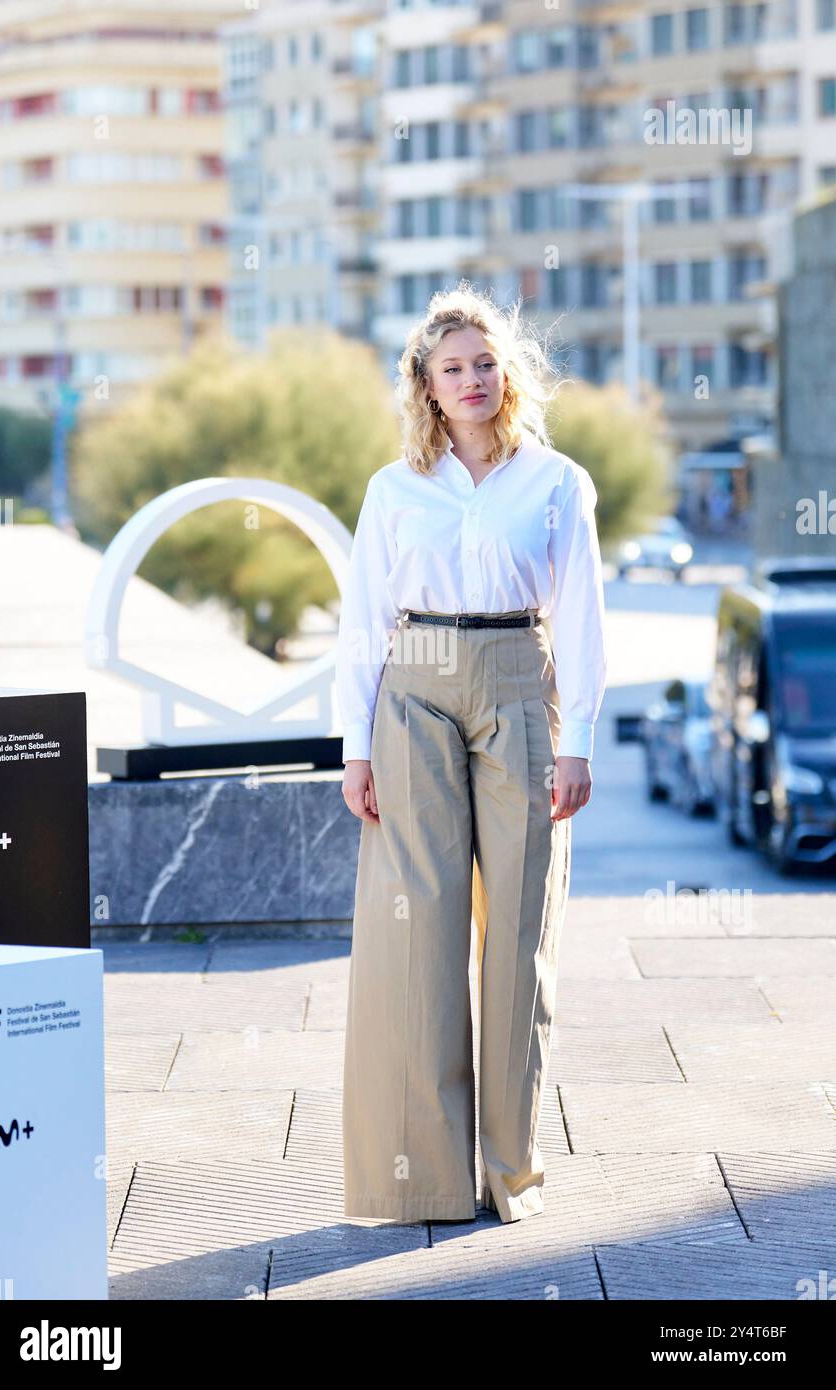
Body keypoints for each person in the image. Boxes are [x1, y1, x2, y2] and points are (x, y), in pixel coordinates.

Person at [334, 282, 608, 1225]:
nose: (473, 379)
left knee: (521, 925)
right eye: (454, 368)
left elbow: (581, 616)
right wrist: (354, 748)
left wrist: (579, 743)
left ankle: (511, 1171)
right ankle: (425, 1176)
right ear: (428, 385)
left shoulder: (558, 482)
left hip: (518, 680)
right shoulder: (394, 488)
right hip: (411, 685)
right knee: (419, 932)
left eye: (487, 363)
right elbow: (363, 618)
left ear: (508, 374)